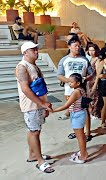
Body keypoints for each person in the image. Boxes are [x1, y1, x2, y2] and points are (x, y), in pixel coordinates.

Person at [16, 41, 54, 173]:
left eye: (37, 49)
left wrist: (44, 104)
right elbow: (25, 89)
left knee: (34, 130)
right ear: (25, 53)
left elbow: (40, 86)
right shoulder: (22, 67)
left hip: (38, 105)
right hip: (31, 106)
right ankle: (39, 161)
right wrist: (43, 103)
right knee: (34, 132)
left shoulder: (33, 65)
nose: (37, 52)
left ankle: (33, 155)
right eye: (33, 50)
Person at [57, 37, 94, 141]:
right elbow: (59, 75)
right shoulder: (64, 60)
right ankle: (77, 131)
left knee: (85, 110)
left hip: (82, 91)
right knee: (73, 110)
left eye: (79, 46)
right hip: (69, 91)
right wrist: (68, 81)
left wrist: (87, 78)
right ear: (69, 47)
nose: (78, 48)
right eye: (75, 46)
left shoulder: (84, 59)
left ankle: (87, 132)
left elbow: (91, 73)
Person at [53, 73, 89, 164]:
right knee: (81, 136)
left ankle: (83, 156)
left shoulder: (76, 92)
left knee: (80, 136)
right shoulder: (81, 90)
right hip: (80, 113)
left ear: (78, 83)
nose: (69, 84)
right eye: (69, 82)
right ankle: (83, 152)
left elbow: (66, 106)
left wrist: (53, 110)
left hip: (77, 115)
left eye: (71, 82)